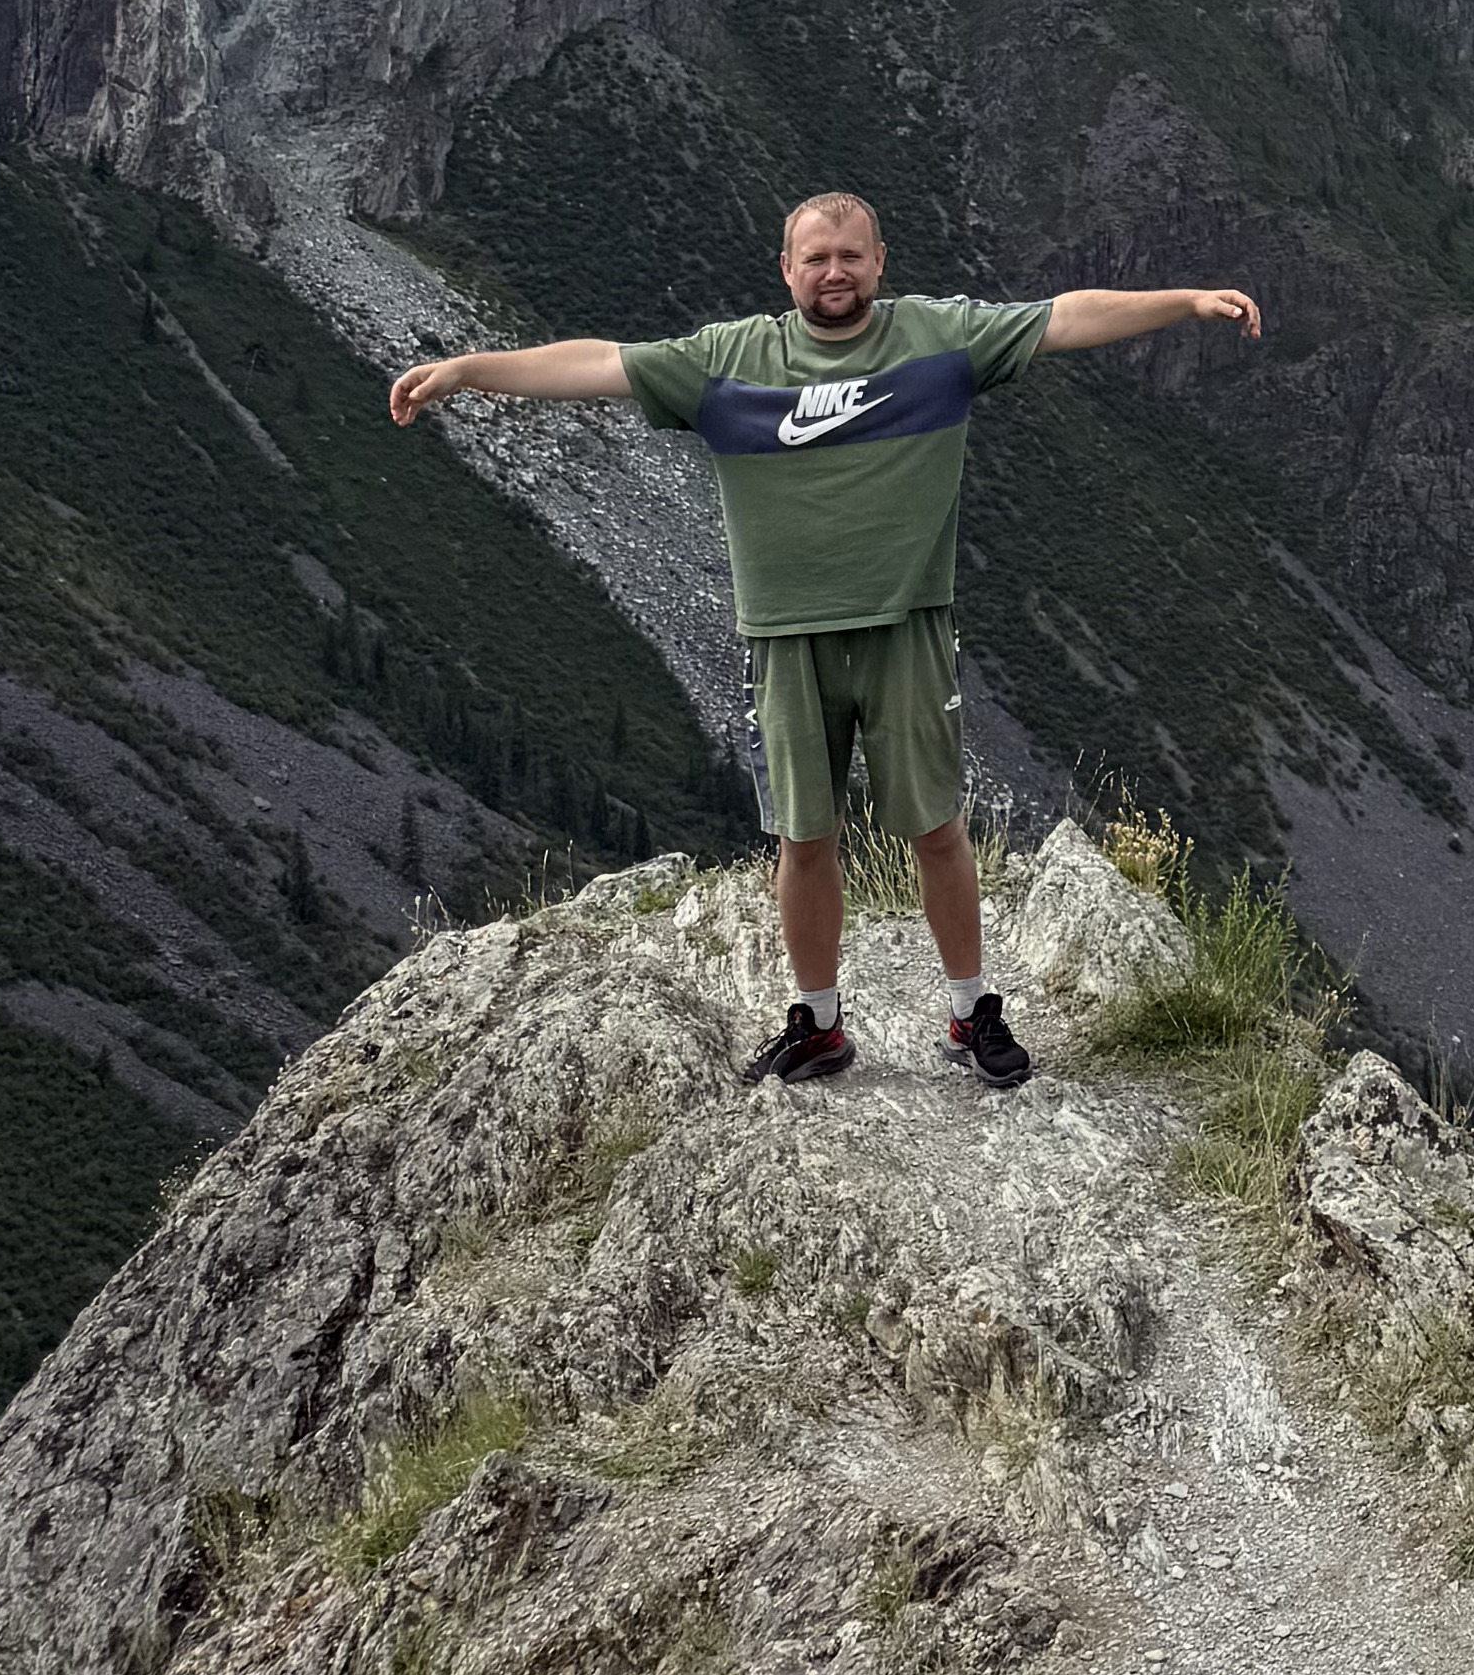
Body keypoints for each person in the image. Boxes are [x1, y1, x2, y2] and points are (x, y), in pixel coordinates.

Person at [386, 189, 1262, 1093]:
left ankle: (970, 1011)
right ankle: (820, 1023)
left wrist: (1186, 302)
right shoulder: (728, 361)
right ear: (787, 270)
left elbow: (1061, 318)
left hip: (906, 626)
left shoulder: (939, 339)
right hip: (786, 638)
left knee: (936, 828)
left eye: (850, 256)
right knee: (805, 838)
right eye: (817, 258)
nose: (834, 272)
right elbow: (597, 364)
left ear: (879, 262)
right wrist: (466, 370)